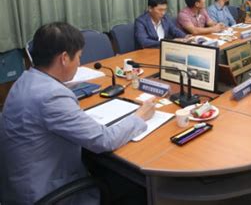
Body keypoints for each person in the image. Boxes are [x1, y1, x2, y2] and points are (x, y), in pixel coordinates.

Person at [0, 22, 156, 204]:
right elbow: (103, 140)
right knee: (136, 187)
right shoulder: (52, 96)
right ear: (64, 58)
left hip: (21, 182)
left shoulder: (26, 79)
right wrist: (139, 116)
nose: (80, 63)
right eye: (79, 57)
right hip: (48, 192)